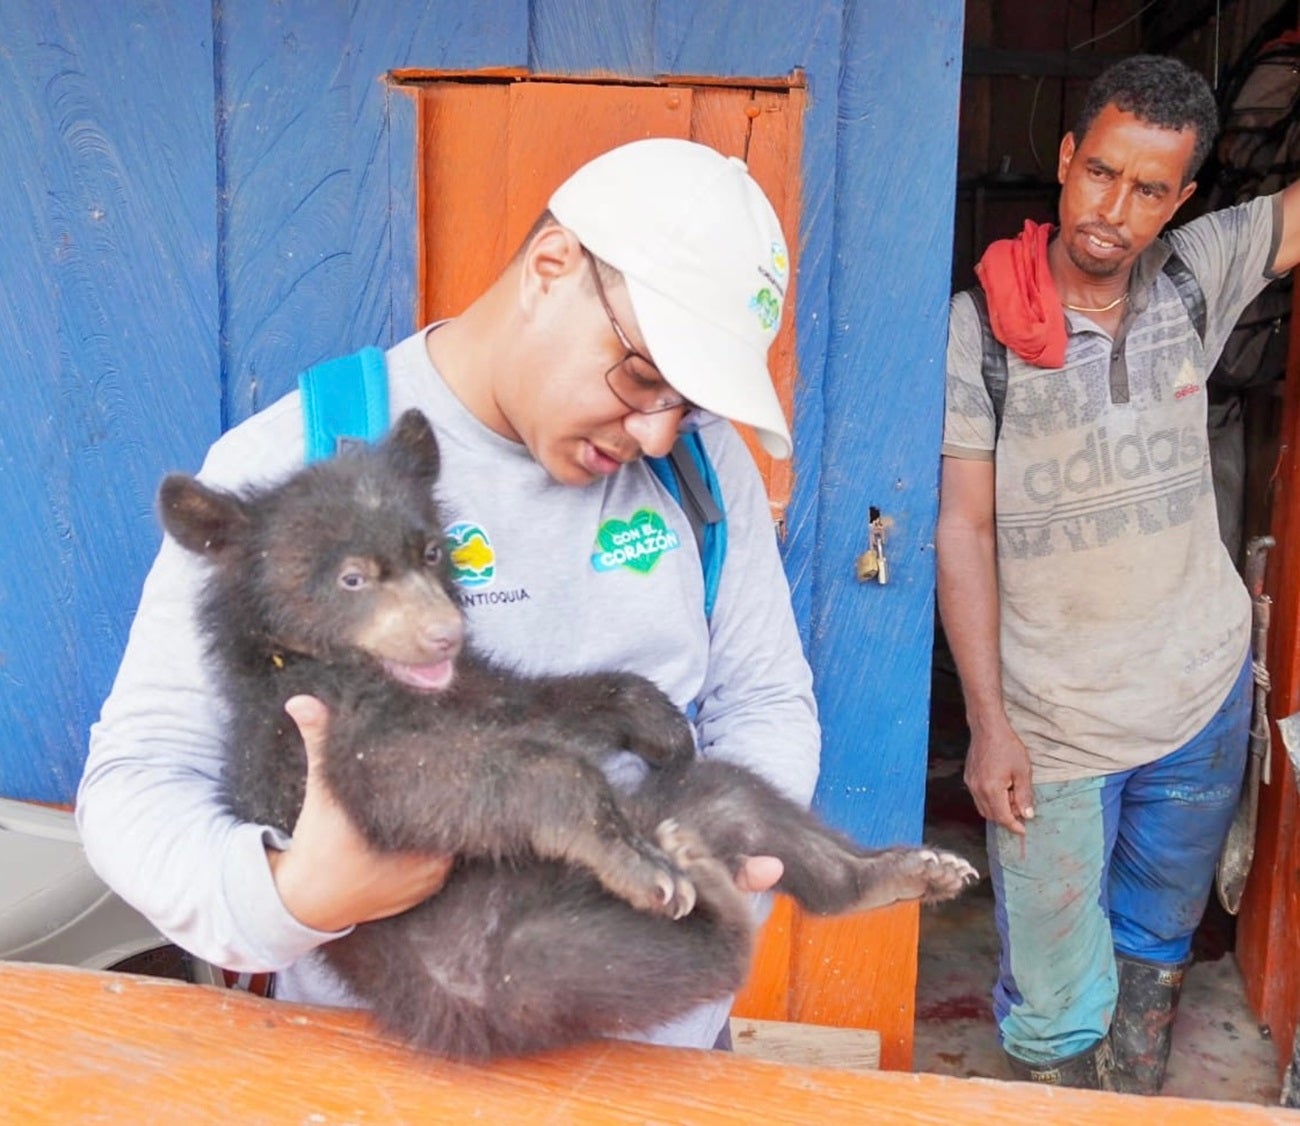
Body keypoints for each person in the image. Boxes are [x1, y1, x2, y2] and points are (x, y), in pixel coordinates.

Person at [76, 138, 819, 1052]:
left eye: (691, 404)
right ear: (552, 267)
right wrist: (290, 895)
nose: (660, 434)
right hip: (392, 1055)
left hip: (652, 1054)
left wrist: (727, 849)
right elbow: (137, 782)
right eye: (642, 377)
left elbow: (767, 697)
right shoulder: (285, 473)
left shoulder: (706, 475)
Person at [937, 53, 1300, 1094]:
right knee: (1054, 1005)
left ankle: (1131, 1104)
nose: (1115, 209)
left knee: (1154, 953)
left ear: (1181, 199)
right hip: (1054, 725)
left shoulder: (1197, 272)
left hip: (1198, 699)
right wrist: (989, 723)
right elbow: (961, 530)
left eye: (1149, 190)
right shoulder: (982, 332)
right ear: (1064, 158)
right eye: (1100, 172)